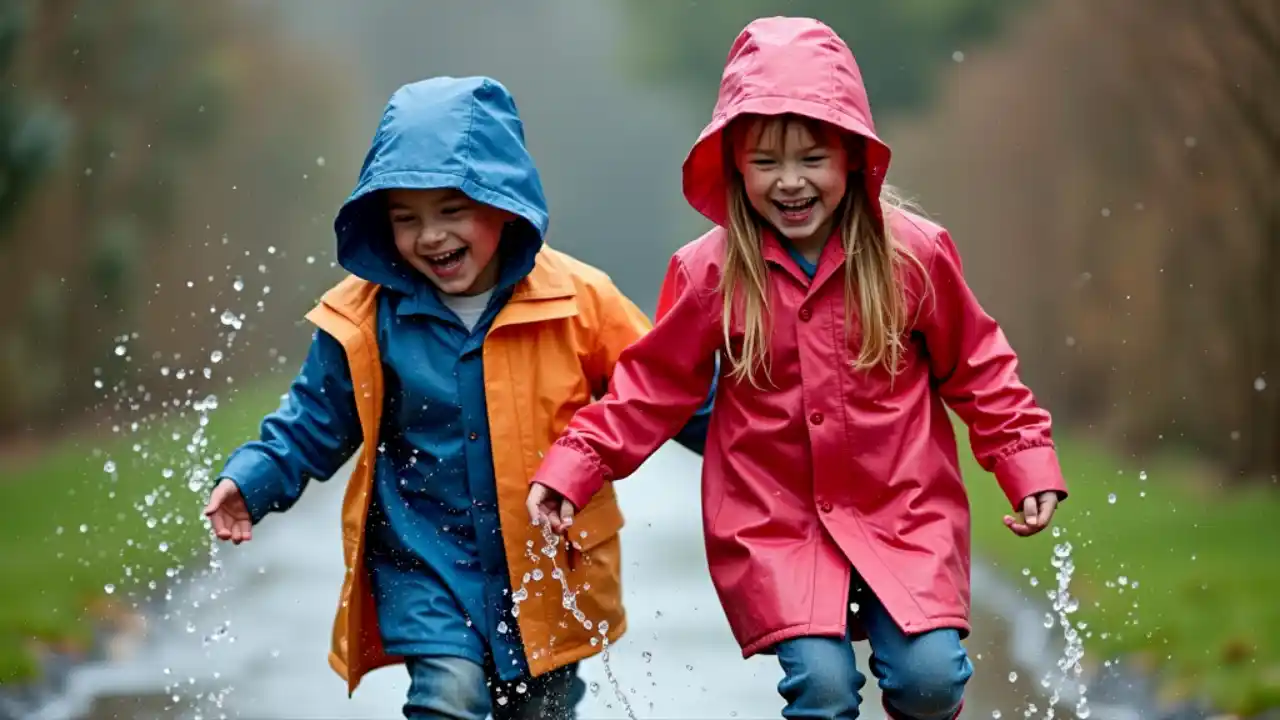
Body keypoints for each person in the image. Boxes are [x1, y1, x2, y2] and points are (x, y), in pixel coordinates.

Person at [526, 17, 1068, 720]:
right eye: (765, 162)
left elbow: (979, 366)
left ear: (850, 156)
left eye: (811, 158)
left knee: (930, 678)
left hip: (903, 510)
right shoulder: (710, 273)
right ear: (734, 166)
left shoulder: (913, 257)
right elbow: (648, 390)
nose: (790, 182)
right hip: (776, 523)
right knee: (823, 686)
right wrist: (575, 467)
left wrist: (1023, 459)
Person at [201, 76, 712, 720]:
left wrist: (760, 451)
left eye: (451, 210)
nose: (430, 236)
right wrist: (252, 479)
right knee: (448, 694)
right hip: (425, 563)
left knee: (540, 712)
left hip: (548, 568)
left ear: (503, 203)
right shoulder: (364, 317)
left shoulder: (581, 300)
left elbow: (662, 390)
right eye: (405, 218)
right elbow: (314, 418)